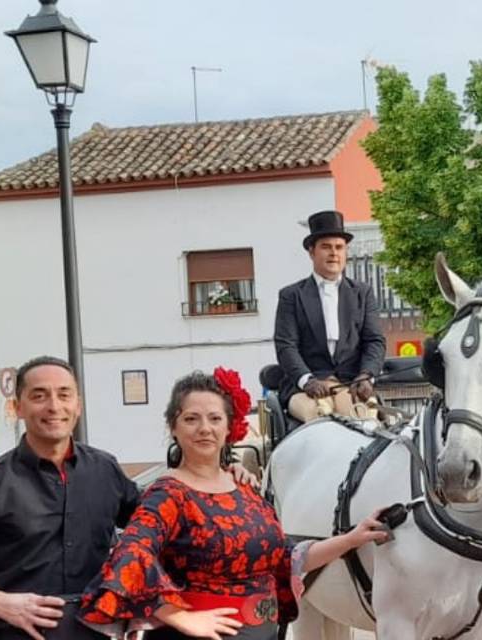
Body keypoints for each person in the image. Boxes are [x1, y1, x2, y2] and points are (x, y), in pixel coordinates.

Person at [78, 368, 386, 638]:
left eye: (214, 418)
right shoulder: (169, 493)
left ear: (229, 428)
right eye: (191, 419)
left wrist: (351, 539)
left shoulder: (243, 488)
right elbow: (129, 555)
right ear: (173, 427)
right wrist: (179, 616)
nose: (204, 428)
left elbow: (286, 557)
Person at [0, 356, 140, 640]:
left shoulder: (105, 470)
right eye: (39, 395)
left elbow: (161, 527)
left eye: (64, 395)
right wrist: (3, 605)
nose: (54, 406)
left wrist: (223, 475)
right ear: (17, 407)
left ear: (78, 404)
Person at [274, 209, 386, 423]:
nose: (334, 253)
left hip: (350, 384)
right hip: (306, 387)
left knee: (363, 419)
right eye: (326, 247)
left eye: (339, 247)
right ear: (311, 252)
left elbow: (375, 341)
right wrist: (307, 380)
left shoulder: (363, 293)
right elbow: (286, 345)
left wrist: (366, 375)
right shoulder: (291, 296)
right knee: (319, 418)